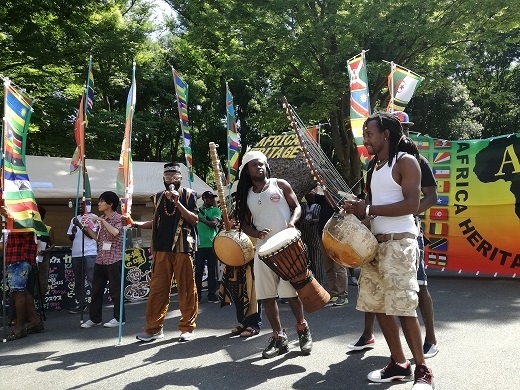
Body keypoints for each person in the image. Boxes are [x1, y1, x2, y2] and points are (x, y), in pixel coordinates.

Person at [341, 112, 434, 389]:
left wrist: (368, 209)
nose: (366, 139)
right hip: (375, 245)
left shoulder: (406, 161)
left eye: (369, 133)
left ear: (386, 134)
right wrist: (356, 214)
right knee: (378, 305)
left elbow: (411, 204)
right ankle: (399, 364)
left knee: (403, 308)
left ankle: (422, 370)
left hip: (399, 243)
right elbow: (373, 209)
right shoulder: (374, 168)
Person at [235, 150, 312, 358]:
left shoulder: (280, 184)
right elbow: (243, 223)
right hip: (263, 249)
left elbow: (296, 207)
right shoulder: (246, 193)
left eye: (261, 164)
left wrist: (291, 223)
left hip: (287, 247)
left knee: (291, 294)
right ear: (247, 170)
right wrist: (256, 233)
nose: (259, 167)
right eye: (254, 165)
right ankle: (279, 337)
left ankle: (302, 329)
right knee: (268, 296)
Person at [134, 162, 199, 342]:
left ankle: (187, 328)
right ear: (163, 179)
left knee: (186, 288)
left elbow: (194, 220)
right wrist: (135, 224)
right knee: (158, 289)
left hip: (183, 248)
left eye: (175, 178)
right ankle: (154, 328)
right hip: (162, 248)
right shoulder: (157, 197)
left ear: (180, 179)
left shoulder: (189, 195)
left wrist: (178, 203)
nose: (171, 181)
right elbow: (156, 223)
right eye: (168, 177)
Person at [79, 191, 125, 329]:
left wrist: (102, 221)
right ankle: (95, 318)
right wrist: (85, 226)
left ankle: (119, 318)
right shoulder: (101, 218)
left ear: (110, 204)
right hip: (101, 258)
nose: (98, 204)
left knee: (115, 291)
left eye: (101, 201)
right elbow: (98, 238)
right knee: (96, 290)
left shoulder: (118, 218)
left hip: (114, 258)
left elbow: (115, 232)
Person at [1, 207, 44, 341]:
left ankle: (19, 327)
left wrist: (9, 215)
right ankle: (35, 320)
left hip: (21, 258)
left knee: (18, 291)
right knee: (20, 291)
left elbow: (25, 230)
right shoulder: (17, 218)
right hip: (15, 258)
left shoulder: (26, 218)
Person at [305, 188, 349, 306]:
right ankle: (333, 293)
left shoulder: (339, 198)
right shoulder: (322, 199)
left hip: (336, 238)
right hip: (323, 237)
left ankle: (342, 295)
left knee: (338, 267)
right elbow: (311, 196)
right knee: (328, 267)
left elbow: (336, 209)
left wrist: (325, 191)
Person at [66, 203, 98, 313]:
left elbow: (92, 235)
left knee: (91, 279)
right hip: (76, 253)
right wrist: (73, 232)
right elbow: (70, 237)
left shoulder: (93, 218)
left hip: (89, 253)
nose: (80, 207)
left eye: (82, 205)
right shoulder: (74, 219)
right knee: (78, 280)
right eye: (78, 205)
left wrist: (79, 225)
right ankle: (81, 303)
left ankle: (95, 303)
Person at [195, 191, 221, 303]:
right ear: (204, 199)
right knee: (198, 271)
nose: (212, 200)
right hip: (199, 245)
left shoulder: (215, 210)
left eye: (213, 198)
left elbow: (214, 223)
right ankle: (197, 295)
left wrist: (200, 219)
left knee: (212, 270)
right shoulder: (196, 211)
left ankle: (212, 294)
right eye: (210, 198)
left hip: (211, 244)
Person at [296, 198, 324, 285]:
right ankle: (310, 286)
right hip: (304, 238)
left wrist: (315, 221)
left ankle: (319, 285)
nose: (310, 194)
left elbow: (323, 220)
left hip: (315, 238)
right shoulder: (301, 207)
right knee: (307, 263)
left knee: (317, 262)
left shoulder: (319, 207)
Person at [36, 205, 55, 297]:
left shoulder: (48, 228)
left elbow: (53, 244)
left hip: (43, 256)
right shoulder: (31, 229)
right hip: (32, 256)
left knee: (42, 278)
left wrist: (45, 251)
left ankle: (41, 300)